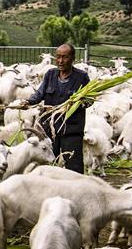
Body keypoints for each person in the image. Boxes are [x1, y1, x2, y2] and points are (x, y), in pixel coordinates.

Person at [26, 42, 90, 173]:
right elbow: (40, 93)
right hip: (50, 129)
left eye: (65, 57)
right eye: (58, 57)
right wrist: (28, 102)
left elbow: (89, 101)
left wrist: (78, 103)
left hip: (71, 130)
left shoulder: (81, 77)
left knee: (74, 168)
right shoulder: (50, 74)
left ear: (73, 59)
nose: (60, 61)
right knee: (46, 165)